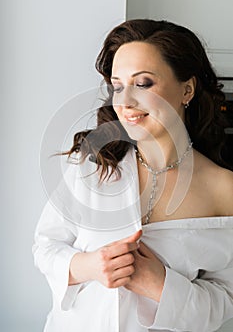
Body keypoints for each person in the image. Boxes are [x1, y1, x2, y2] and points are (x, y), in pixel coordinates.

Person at [33, 19, 233, 332]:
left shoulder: (225, 189)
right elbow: (45, 247)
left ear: (187, 89)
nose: (125, 102)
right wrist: (90, 266)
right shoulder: (91, 164)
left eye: (143, 84)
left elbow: (225, 302)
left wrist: (160, 284)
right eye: (117, 86)